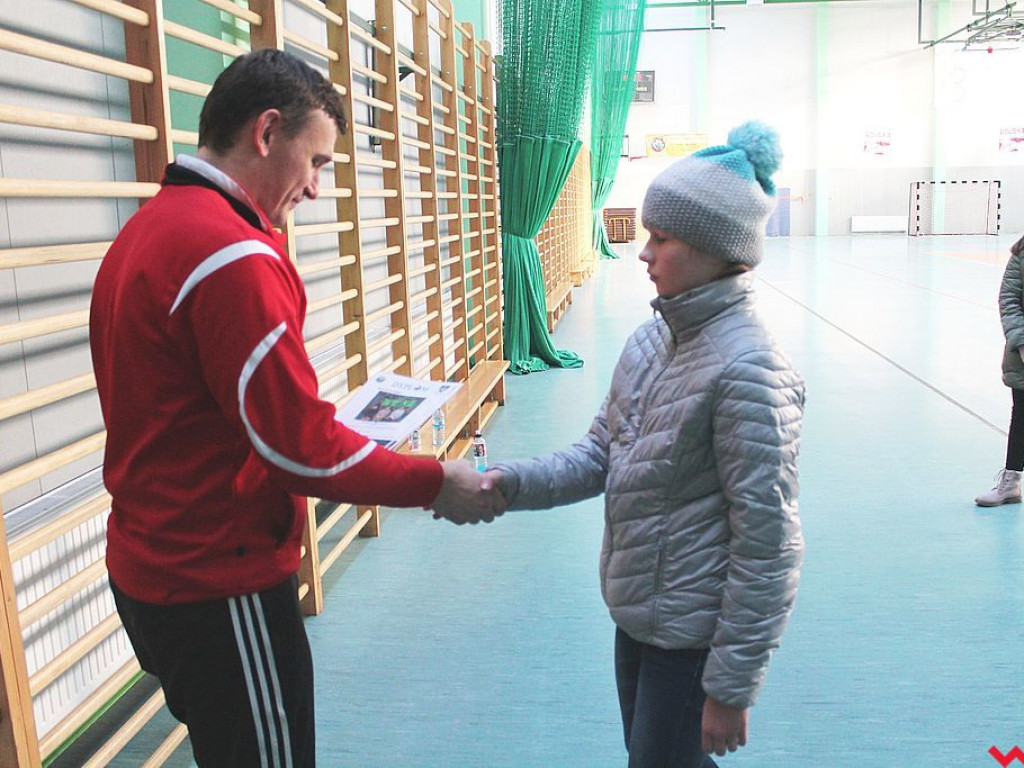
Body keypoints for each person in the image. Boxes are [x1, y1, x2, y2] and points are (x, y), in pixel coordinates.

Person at [89, 49, 502, 768]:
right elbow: (299, 450)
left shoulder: (146, 230)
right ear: (266, 131)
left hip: (150, 562)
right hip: (217, 582)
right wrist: (435, 481)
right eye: (315, 162)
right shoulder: (231, 256)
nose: (314, 187)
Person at [466, 122, 805, 767]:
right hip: (640, 613)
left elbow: (769, 543)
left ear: (715, 250)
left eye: (661, 238)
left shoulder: (751, 370)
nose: (643, 253)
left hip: (693, 637)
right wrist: (504, 484)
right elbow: (601, 452)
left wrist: (731, 685)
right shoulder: (653, 340)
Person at [975, 234, 1024, 506]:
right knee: (1022, 416)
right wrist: (1021, 341)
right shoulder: (1021, 253)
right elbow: (1009, 298)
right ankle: (1011, 483)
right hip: (1022, 354)